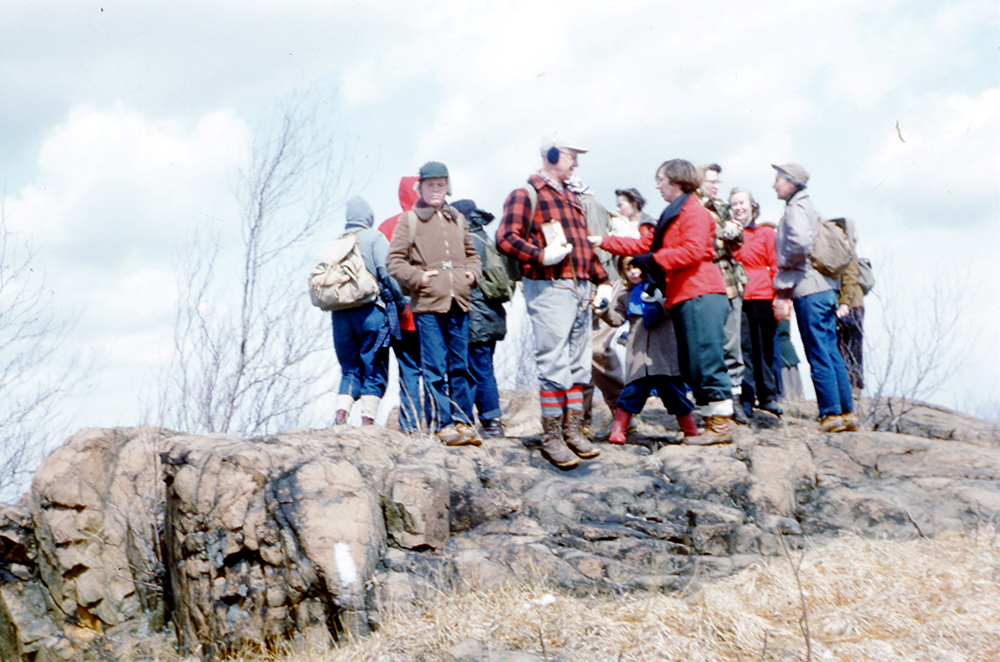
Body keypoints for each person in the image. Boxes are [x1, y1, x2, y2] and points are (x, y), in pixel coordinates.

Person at [591, 159, 735, 444]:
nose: (657, 186)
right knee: (694, 362)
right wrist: (601, 241)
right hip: (686, 294)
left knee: (706, 357)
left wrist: (654, 260)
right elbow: (644, 245)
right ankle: (710, 423)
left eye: (661, 180)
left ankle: (720, 427)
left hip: (701, 292)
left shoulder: (694, 212)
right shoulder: (674, 214)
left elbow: (692, 251)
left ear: (677, 180)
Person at [497, 134, 610, 469]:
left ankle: (573, 432)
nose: (575, 162)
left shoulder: (572, 197)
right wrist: (540, 255)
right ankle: (552, 436)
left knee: (579, 364)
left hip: (580, 287)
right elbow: (505, 237)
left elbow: (584, 245)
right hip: (548, 287)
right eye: (570, 155)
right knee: (554, 363)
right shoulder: (526, 193)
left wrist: (601, 281)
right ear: (550, 154)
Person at [386, 162, 483, 446]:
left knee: (461, 366)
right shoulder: (410, 220)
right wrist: (418, 278)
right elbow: (394, 261)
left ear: (448, 186)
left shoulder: (457, 219)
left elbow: (472, 255)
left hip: (459, 302)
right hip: (428, 305)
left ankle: (464, 422)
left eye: (441, 184)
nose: (436, 190)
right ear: (421, 188)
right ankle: (443, 425)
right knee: (435, 367)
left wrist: (472, 274)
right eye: (430, 185)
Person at [772, 162, 856, 432]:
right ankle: (845, 412)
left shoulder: (796, 207)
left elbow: (799, 242)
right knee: (830, 349)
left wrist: (784, 264)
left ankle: (830, 414)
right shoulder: (810, 206)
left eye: (778, 180)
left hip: (809, 288)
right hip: (826, 288)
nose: (774, 184)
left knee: (818, 350)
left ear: (791, 183)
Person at [599, 258, 699, 444]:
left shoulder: (665, 288)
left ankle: (690, 429)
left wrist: (661, 304)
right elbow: (616, 319)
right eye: (627, 268)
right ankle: (619, 430)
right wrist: (604, 310)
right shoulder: (625, 295)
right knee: (631, 393)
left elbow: (677, 310)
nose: (633, 272)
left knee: (675, 394)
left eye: (637, 267)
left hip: (664, 355)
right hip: (639, 356)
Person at [331, 197, 401, 426]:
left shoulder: (337, 242)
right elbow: (388, 272)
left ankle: (341, 414)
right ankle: (367, 421)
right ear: (369, 217)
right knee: (375, 365)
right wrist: (402, 300)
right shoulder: (374, 238)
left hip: (340, 315)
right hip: (371, 312)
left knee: (350, 368)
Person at [567, 176, 625, 440]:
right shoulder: (576, 203)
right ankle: (582, 419)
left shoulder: (585, 205)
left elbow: (593, 248)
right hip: (587, 282)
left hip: (600, 282)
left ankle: (623, 413)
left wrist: (595, 286)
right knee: (584, 351)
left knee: (595, 350)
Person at [451, 199, 507, 439]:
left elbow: (468, 284)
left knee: (478, 368)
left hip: (475, 314)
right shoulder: (484, 238)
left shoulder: (470, 242)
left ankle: (491, 422)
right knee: (481, 367)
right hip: (489, 314)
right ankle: (487, 421)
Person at [699, 163, 748, 424]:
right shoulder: (692, 206)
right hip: (705, 280)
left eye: (717, 182)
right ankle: (713, 403)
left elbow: (736, 244)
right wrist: (722, 235)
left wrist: (734, 233)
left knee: (732, 342)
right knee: (709, 344)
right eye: (710, 181)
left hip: (729, 279)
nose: (715, 186)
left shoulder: (722, 206)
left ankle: (735, 400)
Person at [378, 176, 426, 434]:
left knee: (408, 369)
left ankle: (410, 426)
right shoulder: (432, 223)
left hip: (397, 315)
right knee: (433, 368)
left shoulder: (387, 226)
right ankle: (437, 422)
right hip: (428, 311)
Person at [730, 187, 782, 419]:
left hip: (762, 295)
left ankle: (768, 396)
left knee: (764, 348)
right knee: (744, 349)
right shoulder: (728, 236)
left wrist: (779, 297)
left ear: (752, 206)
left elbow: (776, 265)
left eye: (742, 203)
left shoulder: (766, 234)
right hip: (738, 297)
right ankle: (747, 397)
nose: (739, 207)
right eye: (734, 204)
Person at [836, 218, 865, 401]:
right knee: (849, 346)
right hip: (852, 304)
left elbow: (850, 276)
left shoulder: (847, 251)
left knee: (850, 347)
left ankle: (853, 388)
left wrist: (844, 302)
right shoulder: (849, 248)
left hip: (850, 304)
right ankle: (851, 387)